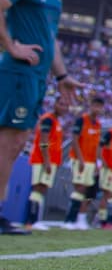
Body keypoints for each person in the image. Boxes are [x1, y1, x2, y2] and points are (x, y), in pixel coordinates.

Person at [0, 0, 80, 235]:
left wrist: (62, 76)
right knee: (8, 143)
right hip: (18, 73)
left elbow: (49, 38)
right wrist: (11, 46)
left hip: (36, 76)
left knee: (16, 142)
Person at [24, 92, 70, 230]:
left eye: (66, 105)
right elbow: (43, 141)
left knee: (42, 189)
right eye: (61, 104)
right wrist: (47, 160)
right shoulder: (48, 120)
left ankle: (34, 220)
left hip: (50, 161)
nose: (63, 107)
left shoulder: (56, 121)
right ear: (55, 104)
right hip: (42, 160)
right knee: (38, 187)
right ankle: (31, 221)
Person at [65, 94, 105, 229]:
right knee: (79, 188)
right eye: (95, 106)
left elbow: (97, 145)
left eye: (100, 107)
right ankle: (69, 219)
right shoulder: (81, 120)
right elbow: (75, 140)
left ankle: (80, 219)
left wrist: (97, 162)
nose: (97, 109)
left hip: (91, 161)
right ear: (90, 106)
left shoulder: (98, 125)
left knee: (87, 191)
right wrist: (80, 159)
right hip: (79, 159)